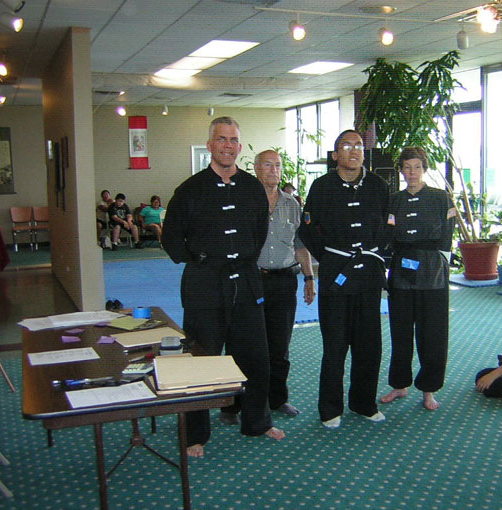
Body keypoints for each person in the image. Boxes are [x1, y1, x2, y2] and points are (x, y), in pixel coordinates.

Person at [161, 117, 284, 458]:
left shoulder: (252, 188)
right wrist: (200, 258)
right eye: (221, 139)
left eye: (233, 140)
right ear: (210, 145)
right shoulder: (189, 189)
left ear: (239, 147)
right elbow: (171, 238)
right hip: (204, 285)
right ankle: (195, 433)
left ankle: (257, 421)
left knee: (256, 358)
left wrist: (241, 260)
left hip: (245, 283)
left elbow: (259, 233)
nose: (228, 145)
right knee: (201, 360)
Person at [297, 129, 389, 429]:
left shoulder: (378, 185)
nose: (354, 151)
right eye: (347, 146)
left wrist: (376, 252)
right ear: (335, 155)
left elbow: (389, 223)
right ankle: (330, 408)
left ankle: (364, 403)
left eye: (359, 146)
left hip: (369, 275)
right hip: (336, 275)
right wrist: (329, 257)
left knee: (369, 344)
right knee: (335, 344)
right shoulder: (322, 186)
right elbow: (307, 228)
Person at [380, 147, 453, 411]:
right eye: (407, 167)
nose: (412, 172)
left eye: (417, 167)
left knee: (432, 333)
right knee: (400, 332)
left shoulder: (440, 197)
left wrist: (433, 257)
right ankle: (400, 385)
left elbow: (448, 235)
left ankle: (428, 389)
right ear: (401, 170)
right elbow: (387, 236)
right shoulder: (394, 200)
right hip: (401, 271)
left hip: (432, 271)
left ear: (424, 169)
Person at [249, 149, 316, 417]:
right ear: (256, 169)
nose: (273, 170)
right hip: (252, 280)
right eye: (267, 165)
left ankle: (277, 399)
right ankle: (238, 402)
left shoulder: (292, 204)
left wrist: (309, 277)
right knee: (247, 344)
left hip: (284, 282)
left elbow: (300, 245)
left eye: (277, 165)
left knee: (280, 345)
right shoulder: (245, 201)